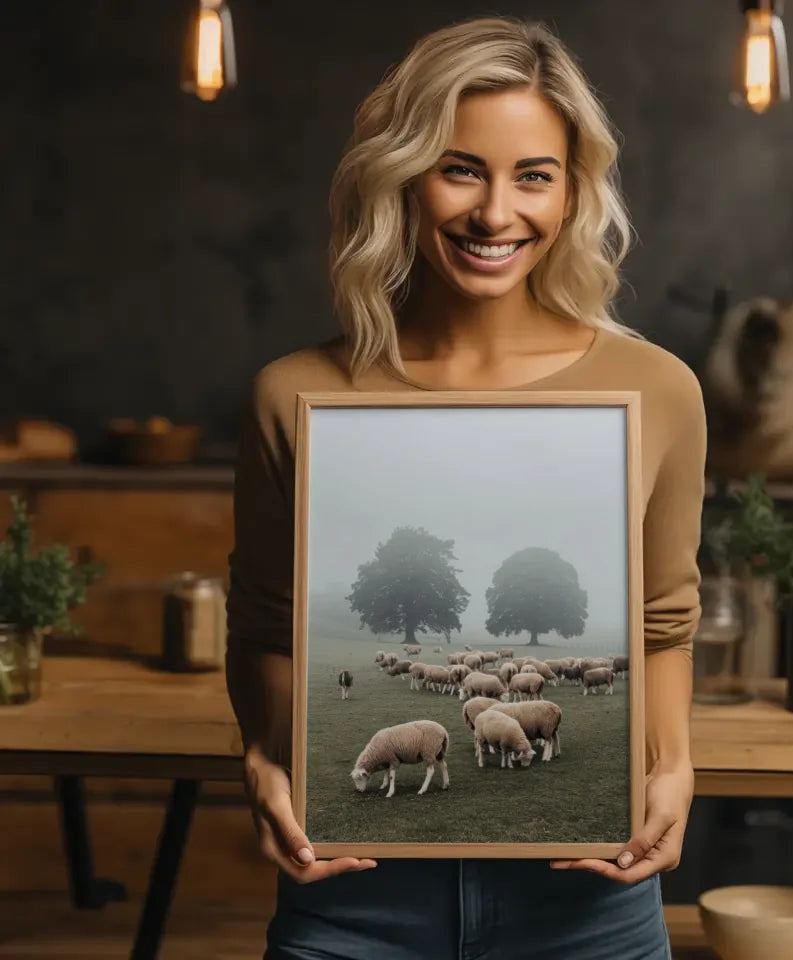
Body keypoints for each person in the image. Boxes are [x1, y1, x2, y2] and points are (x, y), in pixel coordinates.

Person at [226, 16, 705, 960]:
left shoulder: (659, 391)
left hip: (587, 907)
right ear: (401, 177)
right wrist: (259, 755)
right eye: (460, 169)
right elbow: (265, 623)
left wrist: (675, 766)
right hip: (351, 902)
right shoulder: (296, 395)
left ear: (572, 195)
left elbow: (662, 624)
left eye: (534, 175)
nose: (496, 214)